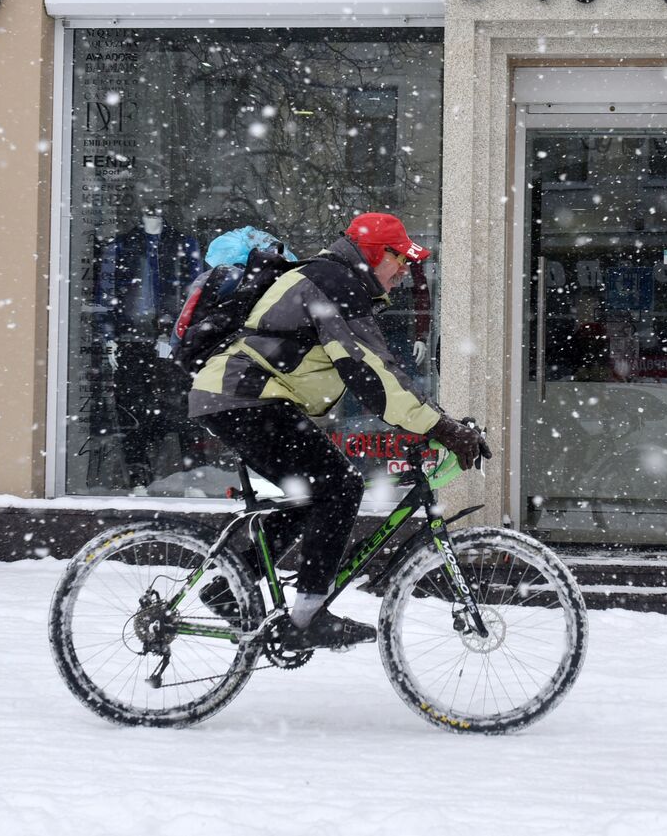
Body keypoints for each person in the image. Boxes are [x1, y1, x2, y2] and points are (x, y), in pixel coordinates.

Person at [187, 213, 487, 651]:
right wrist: (443, 427)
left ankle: (230, 582)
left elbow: (387, 371)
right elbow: (371, 375)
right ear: (373, 252)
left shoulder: (339, 283)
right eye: (400, 257)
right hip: (242, 398)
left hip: (242, 398)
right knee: (340, 485)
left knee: (317, 492)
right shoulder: (332, 283)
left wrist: (444, 421)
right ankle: (307, 619)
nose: (405, 269)